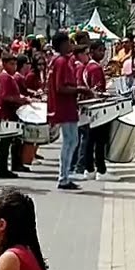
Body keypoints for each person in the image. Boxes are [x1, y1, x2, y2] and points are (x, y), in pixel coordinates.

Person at [46, 33, 86, 190]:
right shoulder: (61, 62)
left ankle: (65, 175)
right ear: (62, 44)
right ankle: (63, 177)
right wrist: (80, 89)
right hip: (64, 106)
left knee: (71, 141)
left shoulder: (59, 61)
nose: (71, 44)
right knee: (70, 141)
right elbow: (61, 87)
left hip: (65, 105)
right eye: (69, 42)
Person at [80, 42, 113, 179]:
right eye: (100, 50)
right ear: (92, 51)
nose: (103, 53)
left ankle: (89, 169)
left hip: (89, 107)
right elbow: (98, 89)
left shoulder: (88, 67)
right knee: (100, 140)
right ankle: (101, 170)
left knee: (89, 139)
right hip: (98, 107)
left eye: (104, 50)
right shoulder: (96, 68)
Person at [0, 53, 28, 179]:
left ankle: (5, 167)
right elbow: (5, 97)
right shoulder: (5, 78)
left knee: (8, 141)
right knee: (5, 142)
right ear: (4, 64)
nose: (14, 67)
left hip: (10, 112)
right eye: (11, 64)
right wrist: (20, 100)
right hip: (6, 112)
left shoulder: (9, 77)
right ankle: (2, 168)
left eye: (15, 64)